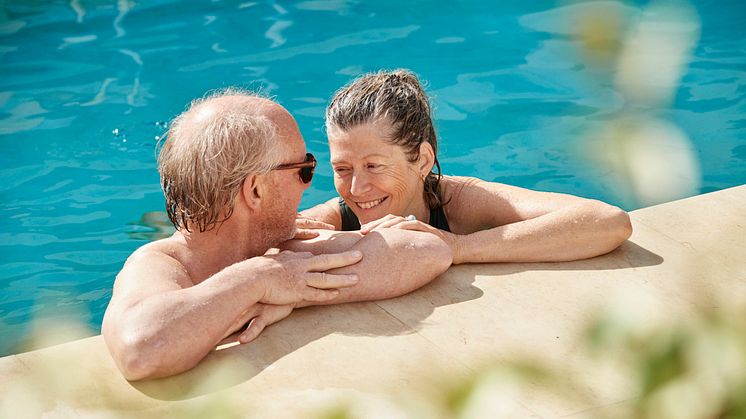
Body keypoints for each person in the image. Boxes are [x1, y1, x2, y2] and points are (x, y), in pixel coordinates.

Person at [102, 90, 453, 381]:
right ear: (254, 190)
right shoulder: (161, 263)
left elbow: (425, 249)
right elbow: (140, 351)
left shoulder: (286, 247)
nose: (310, 185)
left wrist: (287, 293)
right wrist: (259, 279)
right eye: (304, 170)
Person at [299, 70, 633, 264]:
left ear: (424, 161)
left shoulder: (458, 202)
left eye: (373, 166)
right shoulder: (332, 221)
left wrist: (457, 247)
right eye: (342, 169)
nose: (356, 189)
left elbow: (608, 222)